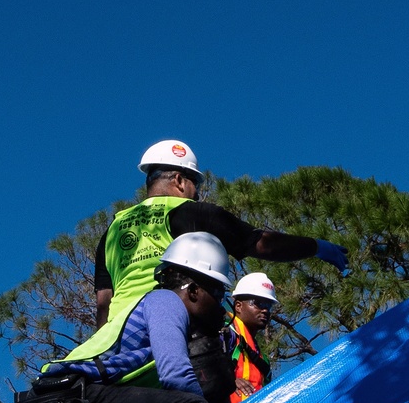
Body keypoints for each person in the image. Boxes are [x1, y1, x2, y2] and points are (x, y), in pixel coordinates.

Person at [88, 139, 347, 339]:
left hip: (120, 339)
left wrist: (104, 350)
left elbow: (104, 302)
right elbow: (260, 243)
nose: (197, 194)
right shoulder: (191, 213)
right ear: (179, 180)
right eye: (194, 185)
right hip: (170, 333)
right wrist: (316, 247)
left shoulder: (113, 229)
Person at [18, 232, 233, 403]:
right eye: (218, 294)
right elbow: (176, 376)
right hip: (67, 398)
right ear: (194, 290)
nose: (220, 306)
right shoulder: (167, 302)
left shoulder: (161, 309)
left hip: (65, 396)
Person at [227, 272, 277, 403]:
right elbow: (200, 370)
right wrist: (228, 380)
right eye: (258, 303)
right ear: (238, 306)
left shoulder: (262, 358)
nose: (265, 310)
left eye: (268, 305)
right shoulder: (224, 334)